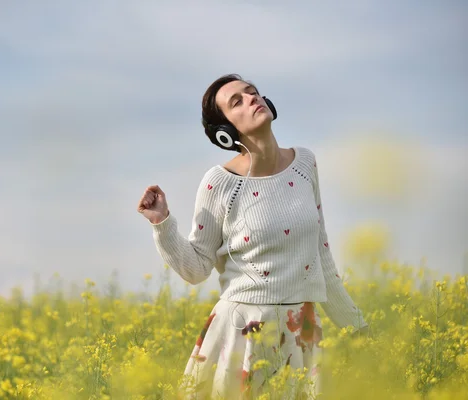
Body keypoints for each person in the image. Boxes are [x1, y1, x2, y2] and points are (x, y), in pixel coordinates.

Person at [137, 74, 369, 399]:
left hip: (301, 333)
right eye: (237, 101)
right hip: (241, 336)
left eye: (253, 92)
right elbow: (198, 268)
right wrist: (162, 224)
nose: (252, 99)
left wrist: (358, 328)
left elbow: (322, 258)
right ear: (225, 133)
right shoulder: (219, 184)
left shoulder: (305, 164)